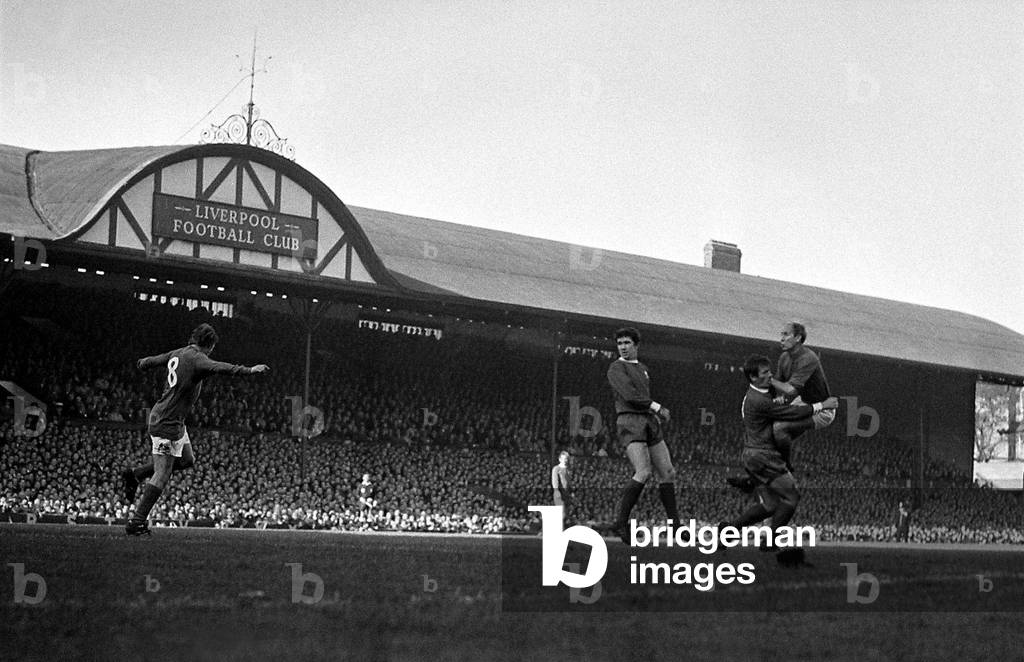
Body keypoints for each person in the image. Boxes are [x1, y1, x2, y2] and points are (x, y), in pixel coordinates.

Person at [121, 323, 269, 536]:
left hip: (174, 421)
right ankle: (136, 521)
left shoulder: (179, 353)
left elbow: (156, 359)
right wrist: (250, 370)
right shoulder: (198, 358)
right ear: (209, 345)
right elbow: (220, 367)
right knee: (162, 473)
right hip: (167, 422)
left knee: (187, 460)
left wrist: (143, 363)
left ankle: (136, 474)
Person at [723, 355, 838, 565]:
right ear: (753, 377)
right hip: (764, 456)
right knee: (791, 497)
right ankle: (770, 541)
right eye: (765, 373)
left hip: (752, 456)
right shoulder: (759, 401)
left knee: (769, 505)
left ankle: (729, 532)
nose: (770, 375)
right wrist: (822, 404)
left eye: (770, 371)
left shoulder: (757, 395)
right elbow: (792, 413)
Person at [728, 321, 834, 493]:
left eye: (785, 335)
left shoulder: (808, 358)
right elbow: (779, 385)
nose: (781, 338)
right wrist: (775, 399)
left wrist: (768, 380)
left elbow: (790, 389)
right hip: (801, 401)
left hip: (823, 409)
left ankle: (784, 467)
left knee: (779, 428)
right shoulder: (785, 357)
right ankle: (754, 479)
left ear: (798, 338)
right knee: (768, 432)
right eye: (781, 335)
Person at [606, 327, 678, 543]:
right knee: (644, 471)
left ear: (636, 345)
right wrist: (657, 407)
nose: (623, 347)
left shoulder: (643, 369)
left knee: (668, 472)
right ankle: (620, 522)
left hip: (648, 420)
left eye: (627, 343)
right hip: (630, 420)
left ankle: (675, 525)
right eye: (620, 343)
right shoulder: (616, 368)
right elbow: (630, 396)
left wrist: (653, 412)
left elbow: (641, 396)